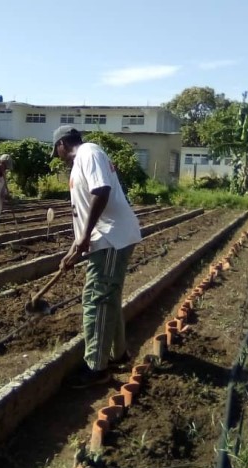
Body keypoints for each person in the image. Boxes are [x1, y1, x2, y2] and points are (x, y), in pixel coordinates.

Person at [52, 125, 142, 388]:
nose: (57, 157)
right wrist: (75, 247)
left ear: (61, 145)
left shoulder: (88, 152)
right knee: (108, 298)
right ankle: (118, 353)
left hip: (111, 238)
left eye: (55, 151)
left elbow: (101, 190)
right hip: (104, 238)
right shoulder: (84, 159)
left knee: (97, 300)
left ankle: (96, 367)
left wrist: (84, 237)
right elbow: (86, 211)